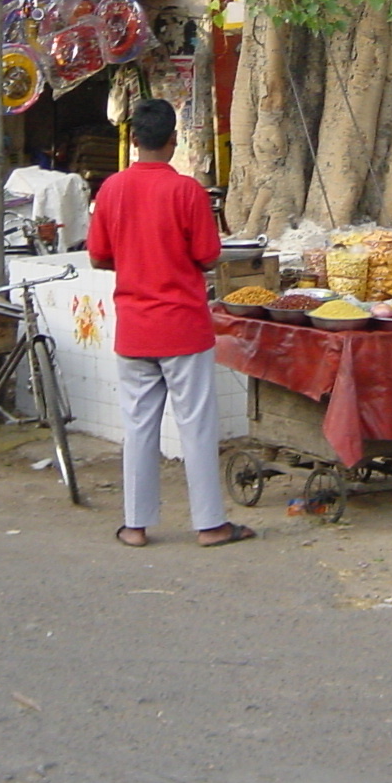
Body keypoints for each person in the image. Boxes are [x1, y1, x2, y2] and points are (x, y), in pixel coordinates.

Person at [87, 98, 254, 549]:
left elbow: (99, 255)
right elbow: (208, 255)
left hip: (135, 327)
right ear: (174, 140)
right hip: (183, 326)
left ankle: (135, 525)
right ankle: (210, 525)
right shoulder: (188, 192)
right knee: (197, 427)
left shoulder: (112, 190)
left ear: (134, 140)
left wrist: (135, 258)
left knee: (138, 427)